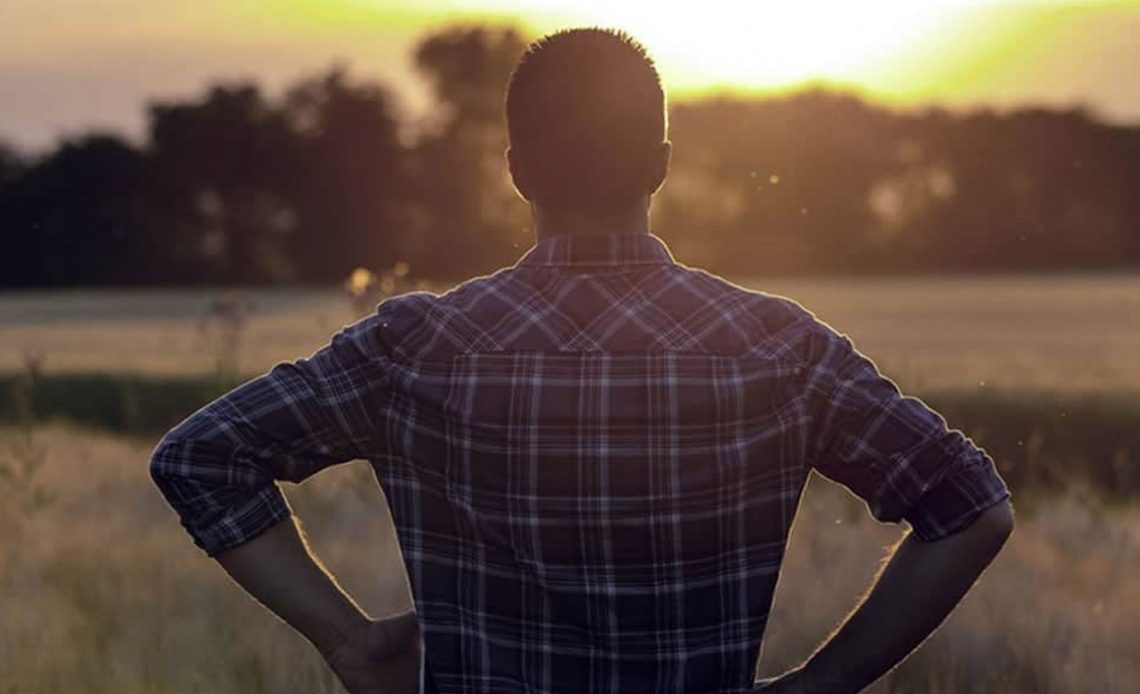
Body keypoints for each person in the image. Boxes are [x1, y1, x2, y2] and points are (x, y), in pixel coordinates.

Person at [150, 27, 1013, 694]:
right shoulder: (780, 350)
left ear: (517, 171)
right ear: (662, 167)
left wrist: (352, 640)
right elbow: (973, 509)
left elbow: (200, 457)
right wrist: (822, 685)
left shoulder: (414, 350)